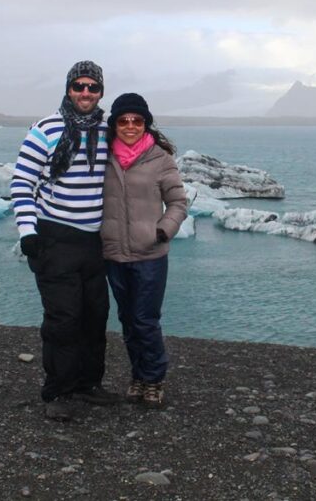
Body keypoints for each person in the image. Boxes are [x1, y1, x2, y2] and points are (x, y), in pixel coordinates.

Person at [10, 60, 122, 421]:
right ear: (68, 89)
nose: (86, 93)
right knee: (63, 318)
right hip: (55, 238)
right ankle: (57, 390)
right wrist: (28, 232)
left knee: (95, 315)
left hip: (93, 241)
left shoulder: (108, 130)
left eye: (92, 87)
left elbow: (139, 145)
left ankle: (88, 384)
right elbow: (22, 184)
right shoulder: (46, 129)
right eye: (79, 86)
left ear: (101, 91)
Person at [100, 93, 188, 409]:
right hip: (113, 254)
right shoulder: (102, 157)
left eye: (137, 120)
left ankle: (153, 379)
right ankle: (138, 375)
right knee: (127, 319)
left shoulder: (160, 159)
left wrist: (163, 229)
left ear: (146, 123)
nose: (130, 126)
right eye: (123, 120)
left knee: (145, 319)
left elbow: (178, 202)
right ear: (114, 124)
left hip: (150, 253)